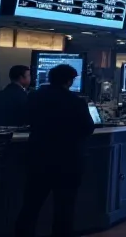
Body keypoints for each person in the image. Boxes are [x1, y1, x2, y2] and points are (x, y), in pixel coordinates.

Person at [14, 65, 95, 237]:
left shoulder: (34, 97)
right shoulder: (76, 101)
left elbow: (24, 119)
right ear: (69, 81)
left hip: (39, 158)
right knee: (64, 208)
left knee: (31, 206)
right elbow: (88, 128)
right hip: (68, 161)